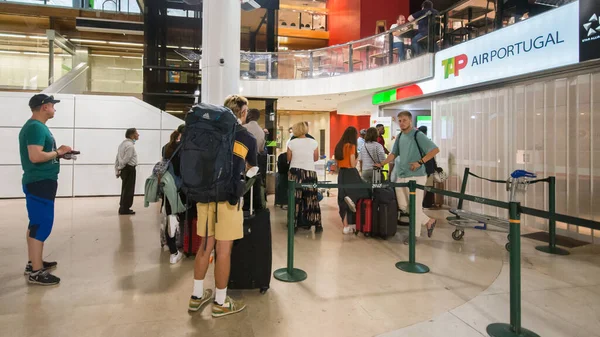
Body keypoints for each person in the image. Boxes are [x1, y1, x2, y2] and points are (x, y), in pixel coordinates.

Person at [189, 94, 257, 318]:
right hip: (227, 201)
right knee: (223, 251)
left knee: (205, 247)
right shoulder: (245, 136)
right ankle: (220, 301)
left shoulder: (209, 131)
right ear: (243, 112)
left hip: (205, 196)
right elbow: (251, 169)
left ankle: (197, 297)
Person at [19, 94, 73, 285]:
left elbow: (42, 154)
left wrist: (59, 156)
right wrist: (58, 152)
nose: (54, 109)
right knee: (42, 224)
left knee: (36, 223)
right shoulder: (35, 127)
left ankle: (33, 262)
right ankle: (36, 272)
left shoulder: (37, 127)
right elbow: (35, 156)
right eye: (52, 106)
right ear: (44, 107)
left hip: (42, 180)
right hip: (39, 181)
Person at [377, 111, 439, 244]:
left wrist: (420, 162)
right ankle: (428, 221)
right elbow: (394, 154)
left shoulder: (418, 135)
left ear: (410, 121)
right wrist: (382, 163)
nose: (402, 123)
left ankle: (414, 236)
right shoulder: (400, 136)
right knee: (404, 206)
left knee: (415, 206)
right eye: (400, 120)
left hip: (416, 176)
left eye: (404, 120)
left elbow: (434, 150)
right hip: (401, 175)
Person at [287, 121, 323, 233]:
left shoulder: (291, 143)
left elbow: (289, 158)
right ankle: (316, 224)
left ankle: (294, 224)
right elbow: (316, 158)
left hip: (295, 172)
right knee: (312, 198)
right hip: (310, 172)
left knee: (295, 199)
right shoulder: (313, 142)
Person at [335, 126, 370, 234]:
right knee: (364, 192)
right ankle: (354, 208)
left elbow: (337, 164)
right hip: (351, 173)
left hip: (342, 174)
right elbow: (352, 163)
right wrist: (358, 156)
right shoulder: (351, 146)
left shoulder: (339, 146)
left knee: (342, 199)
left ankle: (345, 226)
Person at [161, 127, 186, 264]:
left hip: (168, 187)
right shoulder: (186, 149)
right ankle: (184, 244)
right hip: (182, 187)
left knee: (171, 217)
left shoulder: (166, 147)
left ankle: (173, 251)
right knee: (185, 217)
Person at [115, 128, 139, 215]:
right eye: (136, 133)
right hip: (129, 169)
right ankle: (125, 208)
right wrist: (120, 167)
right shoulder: (130, 146)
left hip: (125, 169)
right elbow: (126, 159)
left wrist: (118, 169)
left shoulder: (122, 144)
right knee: (129, 189)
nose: (138, 135)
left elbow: (118, 158)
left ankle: (123, 207)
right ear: (132, 135)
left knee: (125, 188)